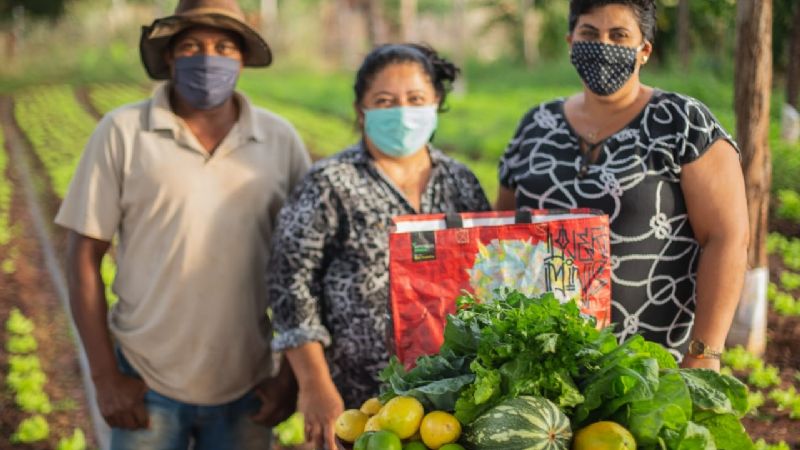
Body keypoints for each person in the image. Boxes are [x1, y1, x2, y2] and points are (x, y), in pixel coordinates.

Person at [55, 0, 309, 448]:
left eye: (223, 46)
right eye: (191, 45)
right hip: (146, 379)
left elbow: (308, 265)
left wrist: (290, 376)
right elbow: (82, 256)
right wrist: (105, 376)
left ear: (243, 59)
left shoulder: (280, 140)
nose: (207, 58)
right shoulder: (122, 132)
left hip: (248, 381)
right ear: (170, 56)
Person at [496, 0, 748, 370]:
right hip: (540, 367)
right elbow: (502, 233)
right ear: (570, 42)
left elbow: (727, 238)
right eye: (589, 34)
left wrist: (704, 353)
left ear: (643, 49)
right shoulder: (536, 124)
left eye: (619, 35)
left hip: (650, 368)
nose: (603, 46)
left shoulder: (681, 123)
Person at [267, 43, 491, 449]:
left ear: (436, 102)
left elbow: (487, 279)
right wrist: (315, 385)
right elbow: (290, 286)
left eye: (415, 99)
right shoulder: (330, 183)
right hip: (358, 405)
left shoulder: (461, 183)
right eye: (385, 101)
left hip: (449, 406)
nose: (402, 112)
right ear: (361, 110)